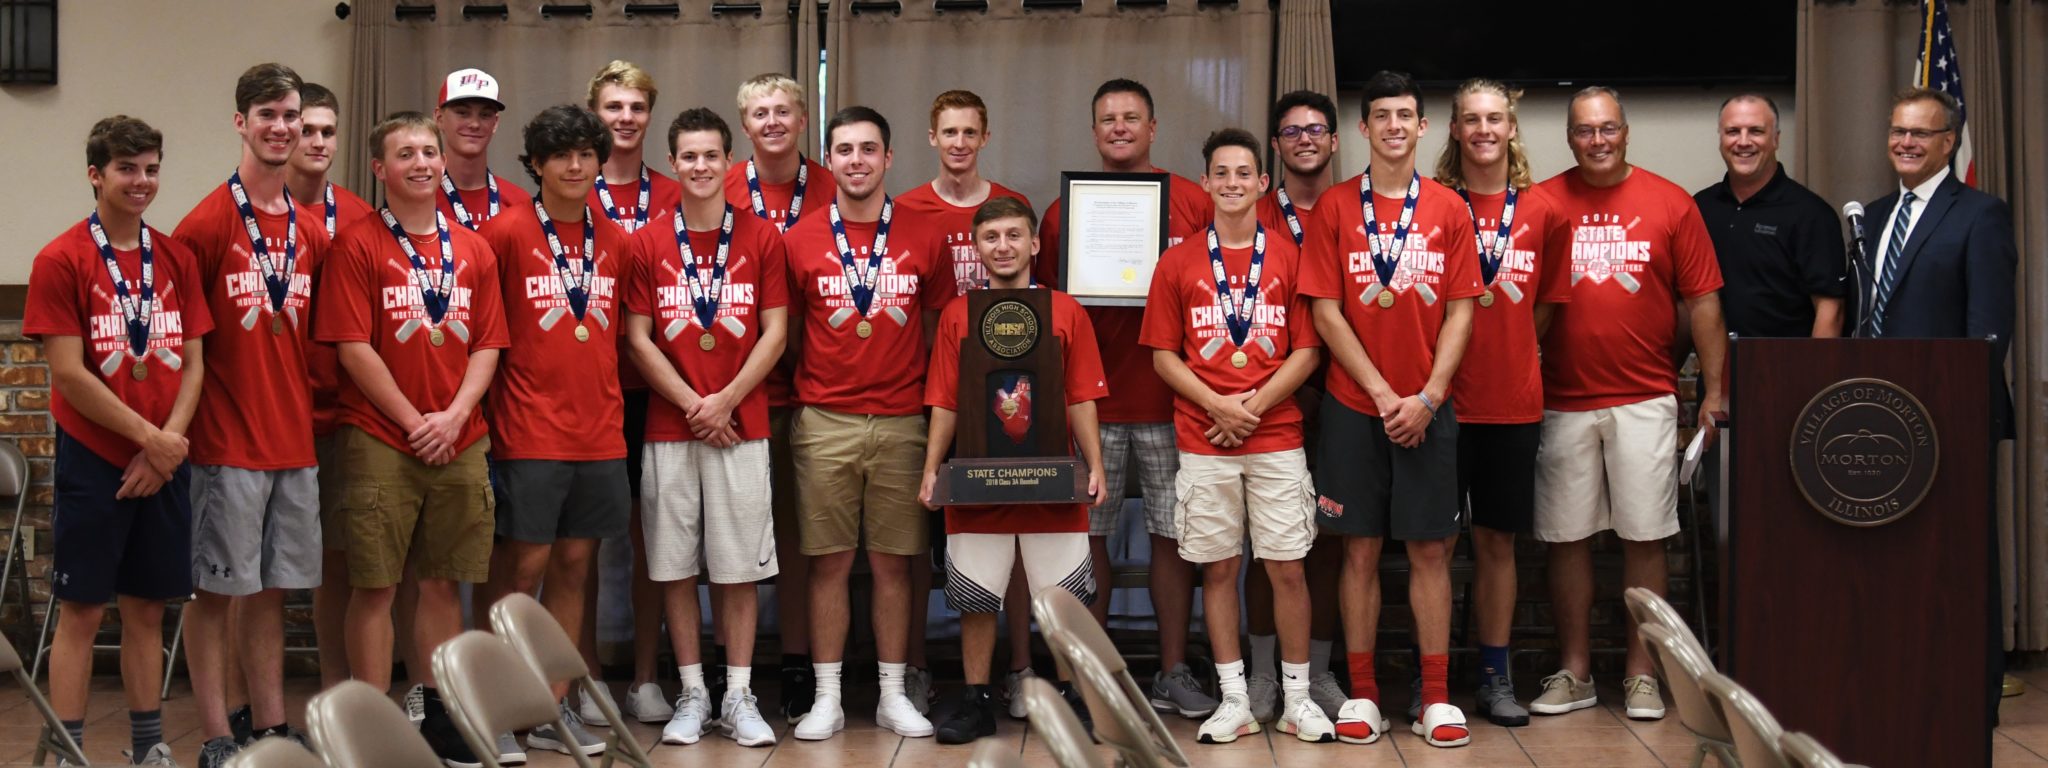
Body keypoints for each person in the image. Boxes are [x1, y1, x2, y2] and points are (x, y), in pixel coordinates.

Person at [318, 111, 509, 767]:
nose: (423, 163)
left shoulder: (473, 248)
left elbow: (488, 343)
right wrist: (412, 420)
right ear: (380, 169)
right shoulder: (357, 246)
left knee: (441, 583)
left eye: (429, 151)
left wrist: (453, 416)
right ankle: (370, 720)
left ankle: (435, 711)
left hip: (460, 436)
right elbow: (352, 346)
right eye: (406, 154)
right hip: (381, 435)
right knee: (374, 585)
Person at [1530, 86, 1726, 723]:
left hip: (1646, 396)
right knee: (1567, 538)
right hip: (1561, 400)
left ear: (1626, 132)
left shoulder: (1670, 202)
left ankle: (1643, 672)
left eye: (1607, 129)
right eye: (1584, 130)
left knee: (1646, 537)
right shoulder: (1543, 202)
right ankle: (1577, 669)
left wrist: (1715, 393)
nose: (1597, 140)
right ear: (1568, 136)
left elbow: (1703, 305)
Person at [1302, 71, 1481, 749]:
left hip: (1431, 407)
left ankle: (1435, 698)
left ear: (1424, 127)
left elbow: (1463, 310)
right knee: (1359, 554)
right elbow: (1325, 309)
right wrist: (1382, 395)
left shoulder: (1449, 209)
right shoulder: (1337, 208)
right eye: (1382, 115)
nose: (1395, 126)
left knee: (1431, 549)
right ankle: (1366, 695)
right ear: (1365, 128)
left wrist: (1428, 396)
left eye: (1406, 115)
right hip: (1355, 407)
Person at [28, 115, 212, 768]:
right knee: (80, 611)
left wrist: (167, 446)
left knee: (146, 610)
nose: (142, 181)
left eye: (152, 168)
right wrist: (148, 442)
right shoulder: (61, 259)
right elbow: (69, 374)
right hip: (96, 458)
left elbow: (193, 364)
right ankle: (71, 750)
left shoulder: (177, 258)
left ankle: (147, 746)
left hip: (163, 459)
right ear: (95, 175)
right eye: (128, 169)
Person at [1031, 79, 1217, 721]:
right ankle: (1093, 678)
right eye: (1107, 118)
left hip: (1173, 401)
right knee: (1087, 542)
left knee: (1173, 536)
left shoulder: (1193, 202)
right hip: (1090, 405)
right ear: (1093, 131)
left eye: (1131, 117)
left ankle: (1171, 669)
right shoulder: (1062, 213)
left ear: (1153, 127)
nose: (1119, 127)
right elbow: (1051, 308)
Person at [1141, 128, 1330, 745]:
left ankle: (1298, 698)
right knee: (1217, 572)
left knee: (1287, 570)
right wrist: (1217, 405)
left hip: (1275, 437)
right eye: (1220, 173)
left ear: (1262, 184)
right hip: (1203, 440)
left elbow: (1308, 348)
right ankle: (1234, 699)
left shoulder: (1290, 257)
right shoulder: (1178, 261)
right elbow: (1165, 356)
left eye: (1243, 173)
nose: (1231, 183)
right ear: (1205, 183)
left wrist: (1251, 406)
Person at [169, 62, 330, 768]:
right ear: (241, 123)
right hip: (223, 442)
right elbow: (183, 351)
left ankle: (268, 725)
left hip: (291, 440)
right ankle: (213, 733)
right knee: (214, 594)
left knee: (271, 593)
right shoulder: (203, 227)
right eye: (267, 115)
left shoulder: (310, 231)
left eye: (290, 115)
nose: (281, 127)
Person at [781, 106, 951, 740]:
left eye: (868, 149)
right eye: (844, 149)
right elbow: (793, 338)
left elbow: (937, 335)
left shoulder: (924, 235)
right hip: (824, 418)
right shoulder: (798, 238)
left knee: (894, 564)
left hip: (905, 418)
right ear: (830, 159)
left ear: (889, 158)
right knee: (827, 562)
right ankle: (826, 697)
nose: (856, 160)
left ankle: (890, 692)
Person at [623, 106, 789, 748]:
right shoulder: (646, 242)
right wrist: (697, 404)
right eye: (688, 156)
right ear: (673, 164)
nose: (699, 166)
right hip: (671, 428)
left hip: (742, 427)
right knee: (673, 567)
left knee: (737, 567)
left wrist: (726, 401)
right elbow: (638, 339)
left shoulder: (761, 236)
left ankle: (739, 695)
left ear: (729, 162)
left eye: (711, 155)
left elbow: (775, 330)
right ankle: (693, 691)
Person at [1851, 88, 2017, 717]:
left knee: (1962, 564)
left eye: (1921, 134)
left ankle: (1972, 698)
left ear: (1949, 142)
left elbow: (1989, 330)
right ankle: (1899, 684)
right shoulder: (1870, 216)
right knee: (1890, 566)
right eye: (1898, 131)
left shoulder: (1980, 214)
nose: (1906, 143)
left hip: (1952, 422)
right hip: (1879, 424)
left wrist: (1956, 408)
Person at [475, 104, 634, 760]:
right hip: (526, 429)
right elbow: (483, 334)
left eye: (586, 154)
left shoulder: (615, 239)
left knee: (574, 566)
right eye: (561, 154)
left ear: (600, 161)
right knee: (521, 569)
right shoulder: (503, 233)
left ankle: (552, 706)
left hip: (599, 432)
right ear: (536, 163)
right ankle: (495, 709)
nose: (575, 166)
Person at [918, 196, 1103, 744]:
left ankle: (1072, 698)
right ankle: (977, 701)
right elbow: (945, 401)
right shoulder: (957, 314)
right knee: (976, 596)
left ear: (1035, 243)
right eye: (991, 237)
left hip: (1054, 480)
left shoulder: (1066, 311)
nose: (1003, 246)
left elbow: (1082, 396)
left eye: (1014, 235)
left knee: (1063, 598)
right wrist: (932, 469)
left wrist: (1095, 465)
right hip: (977, 479)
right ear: (976, 248)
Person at [1431, 78, 1572, 728]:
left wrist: (1510, 349)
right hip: (1439, 405)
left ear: (1510, 129)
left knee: (1496, 546)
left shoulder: (1543, 211)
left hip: (1511, 405)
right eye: (1471, 120)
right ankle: (1430, 682)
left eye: (1495, 119)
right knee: (1430, 546)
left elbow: (1543, 307)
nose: (1484, 129)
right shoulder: (1431, 208)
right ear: (1455, 131)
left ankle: (1494, 674)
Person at [893, 87, 1034, 714]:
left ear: (985, 137)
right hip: (935, 397)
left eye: (968, 133)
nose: (958, 143)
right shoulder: (905, 211)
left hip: (1015, 404)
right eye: (947, 132)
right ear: (932, 138)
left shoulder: (1013, 208)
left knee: (1019, 540)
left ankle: (1021, 668)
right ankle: (921, 667)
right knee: (933, 544)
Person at [725, 72, 834, 721]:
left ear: (801, 122)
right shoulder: (720, 186)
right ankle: (726, 672)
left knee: (799, 539)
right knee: (730, 539)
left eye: (783, 112)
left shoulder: (830, 184)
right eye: (759, 112)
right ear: (746, 126)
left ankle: (797, 663)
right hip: (737, 393)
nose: (772, 122)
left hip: (810, 391)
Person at [1244, 89, 1348, 725]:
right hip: (1267, 402)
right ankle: (1261, 677)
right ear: (1275, 148)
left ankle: (1318, 672)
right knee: (1266, 546)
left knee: (1330, 542)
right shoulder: (1248, 212)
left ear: (1335, 140)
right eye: (1290, 131)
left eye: (1316, 129)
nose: (1304, 139)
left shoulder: (1357, 209)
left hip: (1345, 401)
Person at [584, 58, 680, 728]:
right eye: (613, 107)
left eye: (636, 108)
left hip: (657, 390)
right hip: (586, 391)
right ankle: (583, 677)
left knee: (654, 539)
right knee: (582, 542)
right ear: (595, 114)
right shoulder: (567, 188)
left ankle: (646, 676)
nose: (624, 119)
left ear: (650, 116)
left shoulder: (677, 194)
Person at [287, 81, 378, 692]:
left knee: (342, 566)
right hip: (276, 413)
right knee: (256, 576)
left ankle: (340, 693)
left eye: (326, 131)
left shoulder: (359, 215)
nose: (317, 141)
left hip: (345, 411)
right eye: (306, 130)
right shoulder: (247, 212)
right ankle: (246, 710)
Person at [1694, 94, 1845, 338]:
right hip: (1716, 370)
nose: (1743, 142)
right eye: (1733, 131)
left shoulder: (1811, 214)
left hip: (1786, 371)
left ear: (1775, 139)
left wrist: (1816, 375)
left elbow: (1831, 311)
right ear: (1720, 139)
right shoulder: (1699, 208)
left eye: (1756, 131)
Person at [435, 68, 532, 231]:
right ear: (439, 118)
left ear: (495, 123)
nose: (474, 124)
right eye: (462, 113)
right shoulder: (419, 200)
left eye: (485, 115)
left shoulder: (519, 201)